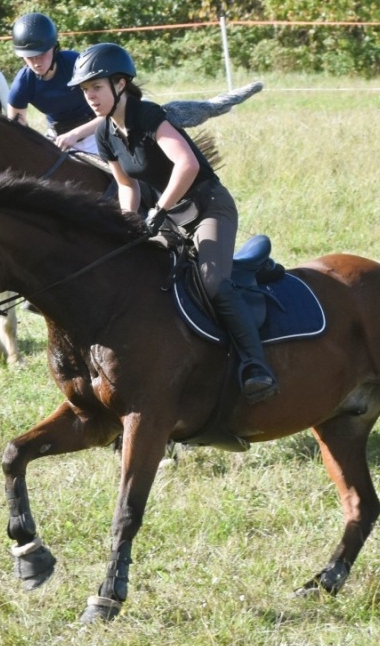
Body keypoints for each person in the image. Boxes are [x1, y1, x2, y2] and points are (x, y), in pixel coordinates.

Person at [71, 42, 278, 402]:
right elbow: (126, 185)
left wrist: (159, 209)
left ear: (120, 84)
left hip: (208, 206)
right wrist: (126, 225)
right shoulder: (104, 132)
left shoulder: (150, 116)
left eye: (96, 88)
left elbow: (188, 166)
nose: (90, 97)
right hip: (168, 217)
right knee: (148, 277)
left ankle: (255, 365)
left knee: (212, 282)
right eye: (86, 90)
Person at [5, 12, 104, 154]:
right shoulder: (22, 84)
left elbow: (111, 112)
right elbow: (16, 131)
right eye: (30, 57)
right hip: (58, 139)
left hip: (96, 132)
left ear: (54, 47)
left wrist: (75, 134)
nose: (36, 63)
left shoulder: (78, 65)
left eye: (41, 54)